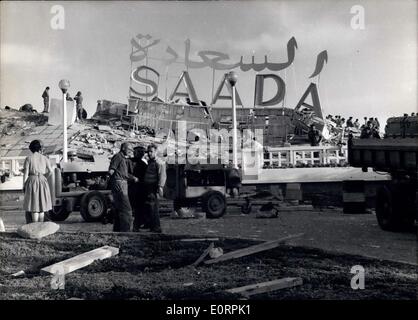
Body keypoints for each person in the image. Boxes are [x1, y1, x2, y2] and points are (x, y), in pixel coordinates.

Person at [108, 142, 138, 232]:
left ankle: (118, 230)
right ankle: (125, 231)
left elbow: (123, 173)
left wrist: (132, 178)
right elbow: (111, 171)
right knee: (126, 209)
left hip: (120, 183)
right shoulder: (118, 157)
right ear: (123, 148)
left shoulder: (122, 158)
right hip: (120, 184)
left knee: (119, 208)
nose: (130, 151)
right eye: (129, 149)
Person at [23, 140, 53, 223]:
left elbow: (25, 174)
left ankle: (35, 226)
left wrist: (24, 185)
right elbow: (51, 171)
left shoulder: (28, 158)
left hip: (32, 180)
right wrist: (44, 177)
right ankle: (40, 226)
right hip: (42, 180)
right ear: (40, 148)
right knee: (42, 206)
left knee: (34, 206)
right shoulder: (45, 158)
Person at [142, 144, 166, 233]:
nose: (149, 153)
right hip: (148, 187)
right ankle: (151, 226)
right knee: (149, 207)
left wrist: (160, 187)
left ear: (156, 152)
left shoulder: (159, 162)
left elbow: (162, 175)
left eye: (151, 151)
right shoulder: (150, 162)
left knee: (153, 207)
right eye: (148, 152)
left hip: (153, 187)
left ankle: (156, 227)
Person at [127, 146, 148, 232]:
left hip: (140, 188)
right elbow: (125, 173)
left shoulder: (143, 164)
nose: (140, 154)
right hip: (133, 187)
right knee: (134, 207)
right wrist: (132, 178)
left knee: (139, 208)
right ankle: (134, 226)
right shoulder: (129, 162)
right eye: (138, 152)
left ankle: (137, 225)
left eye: (141, 152)